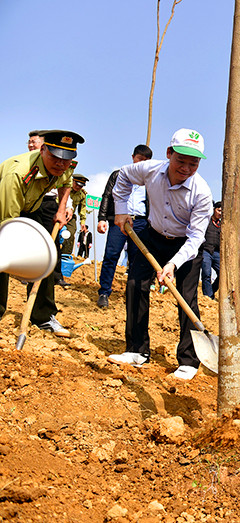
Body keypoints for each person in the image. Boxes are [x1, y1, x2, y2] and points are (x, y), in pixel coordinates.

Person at [107, 129, 213, 381]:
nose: (186, 168)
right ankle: (136, 350)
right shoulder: (150, 169)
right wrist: (120, 210)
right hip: (152, 236)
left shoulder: (202, 192)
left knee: (186, 299)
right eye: (181, 160)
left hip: (185, 247)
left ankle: (189, 360)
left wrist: (173, 265)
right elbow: (123, 176)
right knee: (135, 285)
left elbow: (197, 237)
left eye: (193, 163)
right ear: (169, 154)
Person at [0, 130, 84, 337]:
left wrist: (61, 208)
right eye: (55, 158)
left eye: (67, 159)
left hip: (31, 206)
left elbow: (65, 183)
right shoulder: (18, 174)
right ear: (43, 149)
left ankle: (43, 316)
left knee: (45, 255)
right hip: (5, 209)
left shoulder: (63, 165)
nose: (61, 164)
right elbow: (8, 224)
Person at [96, 145, 153, 308]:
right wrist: (102, 218)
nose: (142, 163)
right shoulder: (118, 175)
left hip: (141, 222)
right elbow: (107, 195)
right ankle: (104, 292)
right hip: (119, 221)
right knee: (111, 255)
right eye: (140, 159)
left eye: (146, 161)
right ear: (133, 157)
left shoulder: (151, 180)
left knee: (137, 260)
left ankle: (132, 294)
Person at [62, 174, 88, 256]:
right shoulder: (65, 187)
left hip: (70, 216)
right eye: (77, 184)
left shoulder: (82, 194)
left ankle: (65, 255)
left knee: (70, 234)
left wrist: (82, 222)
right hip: (58, 211)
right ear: (72, 181)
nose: (78, 187)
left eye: (81, 186)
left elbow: (83, 208)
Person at [201, 201, 221, 299]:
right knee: (206, 273)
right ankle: (208, 296)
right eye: (219, 210)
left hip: (217, 252)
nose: (220, 213)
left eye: (222, 211)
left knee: (222, 274)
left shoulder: (222, 224)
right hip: (206, 251)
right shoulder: (206, 221)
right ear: (214, 209)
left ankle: (212, 291)